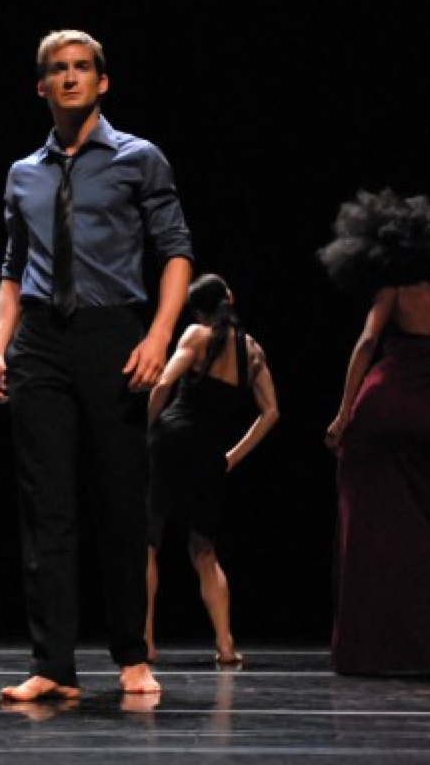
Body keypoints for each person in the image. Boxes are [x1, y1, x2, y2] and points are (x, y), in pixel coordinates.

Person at [0, 29, 193, 700]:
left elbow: (177, 253)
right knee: (47, 507)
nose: (69, 78)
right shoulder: (22, 173)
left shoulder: (139, 159)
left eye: (81, 68)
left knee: (120, 500)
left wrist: (159, 336)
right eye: (56, 70)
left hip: (113, 335)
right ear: (40, 86)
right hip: (40, 338)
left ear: (103, 82)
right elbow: (13, 269)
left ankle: (132, 653)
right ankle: (53, 667)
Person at [318, 188, 430, 678]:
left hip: (381, 409)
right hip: (425, 414)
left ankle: (372, 652)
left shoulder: (395, 288)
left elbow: (367, 344)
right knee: (424, 530)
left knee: (368, 530)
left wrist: (342, 415)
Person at [144, 273, 279, 666]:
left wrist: (145, 431)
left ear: (198, 310)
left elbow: (162, 384)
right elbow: (272, 412)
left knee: (149, 542)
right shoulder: (253, 352)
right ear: (231, 298)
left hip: (170, 441)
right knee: (204, 551)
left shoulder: (196, 336)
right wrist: (232, 456)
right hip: (207, 453)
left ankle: (146, 641)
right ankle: (225, 644)